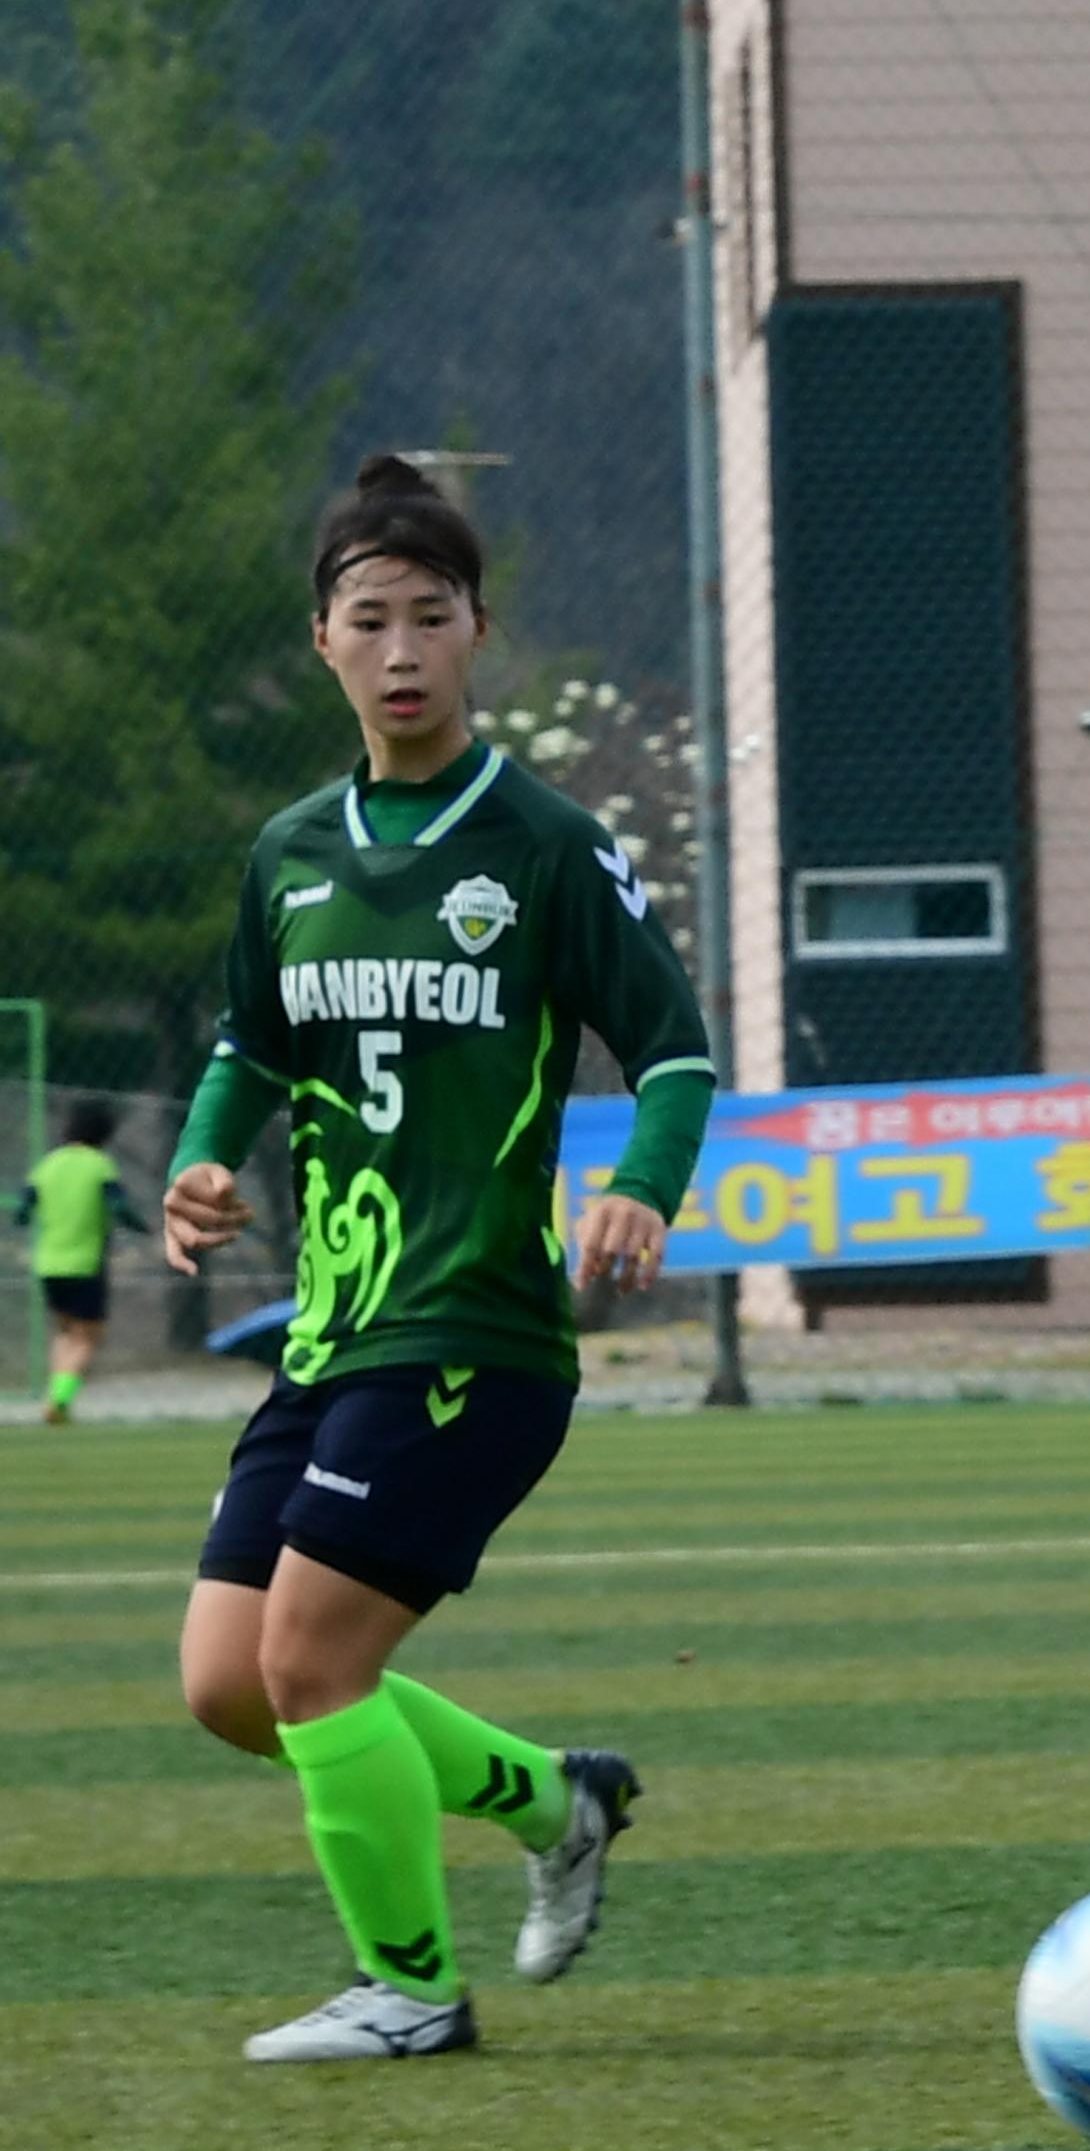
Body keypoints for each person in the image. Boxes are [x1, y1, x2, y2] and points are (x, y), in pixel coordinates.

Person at [157, 455, 717, 2062]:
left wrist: (644, 1186)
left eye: (432, 616)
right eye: (368, 619)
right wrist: (203, 1155)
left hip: (475, 1333)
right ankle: (559, 1803)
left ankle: (409, 1992)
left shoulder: (543, 842)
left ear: (479, 635)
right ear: (323, 644)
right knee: (230, 1686)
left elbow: (672, 1049)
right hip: (331, 1332)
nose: (401, 648)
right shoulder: (289, 854)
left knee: (311, 1661)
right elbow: (248, 1046)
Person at [19, 1096, 138, 1424]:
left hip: (47, 1264)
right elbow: (118, 1206)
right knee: (89, 1335)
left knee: (65, 1331)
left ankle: (56, 1399)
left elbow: (22, 1209)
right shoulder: (99, 1164)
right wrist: (140, 1226)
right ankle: (59, 1398)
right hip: (85, 1262)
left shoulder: (48, 1164)